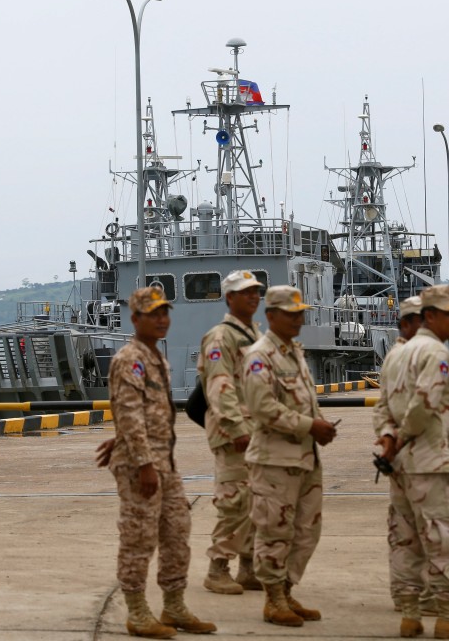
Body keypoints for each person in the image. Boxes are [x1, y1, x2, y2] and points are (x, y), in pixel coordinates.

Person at [106, 286, 216, 638]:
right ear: (135, 318)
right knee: (139, 537)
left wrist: (128, 442)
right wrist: (142, 463)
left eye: (164, 312)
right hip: (144, 465)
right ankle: (137, 612)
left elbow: (139, 414)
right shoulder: (130, 359)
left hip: (162, 461)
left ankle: (174, 606)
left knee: (177, 531)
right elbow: (128, 413)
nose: (161, 319)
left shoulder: (157, 358)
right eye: (152, 314)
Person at [375, 284, 449, 639]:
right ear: (429, 316)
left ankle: (410, 612)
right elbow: (424, 405)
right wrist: (401, 436)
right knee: (444, 537)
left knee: (405, 538)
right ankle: (448, 615)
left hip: (401, 465)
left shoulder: (397, 355)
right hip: (433, 462)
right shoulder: (438, 354)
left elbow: (382, 407)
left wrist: (389, 440)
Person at [240, 285, 338, 627]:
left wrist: (318, 425)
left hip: (305, 458)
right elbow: (263, 408)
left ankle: (287, 588)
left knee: (307, 530)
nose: (298, 319)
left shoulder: (294, 352)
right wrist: (310, 426)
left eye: (300, 313)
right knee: (274, 530)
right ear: (270, 316)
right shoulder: (259, 356)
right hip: (275, 461)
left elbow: (302, 401)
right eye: (291, 313)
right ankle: (272, 599)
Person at [197, 269, 264, 594]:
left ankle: (248, 568)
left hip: (256, 432)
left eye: (256, 291)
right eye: (245, 291)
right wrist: (236, 427)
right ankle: (217, 568)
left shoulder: (254, 334)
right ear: (229, 298)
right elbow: (219, 386)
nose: (253, 296)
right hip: (234, 433)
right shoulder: (221, 337)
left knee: (254, 502)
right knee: (234, 501)